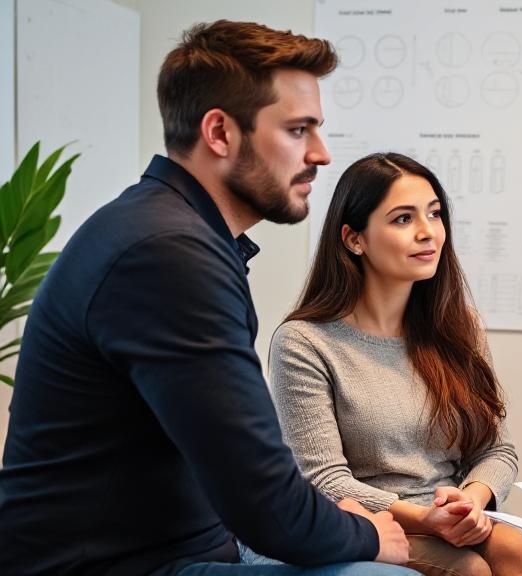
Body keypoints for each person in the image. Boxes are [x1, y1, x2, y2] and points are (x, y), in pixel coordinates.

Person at [0, 21, 414, 575]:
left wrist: (335, 521)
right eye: (298, 130)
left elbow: (252, 480)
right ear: (219, 133)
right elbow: (264, 500)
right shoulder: (168, 253)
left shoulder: (172, 230)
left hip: (187, 546)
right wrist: (366, 534)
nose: (321, 153)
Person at [268, 152, 522, 576]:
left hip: (448, 514)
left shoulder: (459, 327)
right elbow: (323, 481)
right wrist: (426, 521)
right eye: (402, 219)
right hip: (361, 523)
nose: (427, 233)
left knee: (515, 549)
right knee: (468, 569)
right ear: (353, 238)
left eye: (434, 214)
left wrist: (472, 498)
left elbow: (496, 448)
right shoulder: (304, 342)